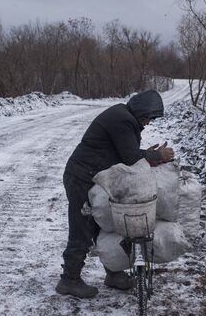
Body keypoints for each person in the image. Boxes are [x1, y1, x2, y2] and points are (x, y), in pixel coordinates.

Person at [56, 89, 175, 298]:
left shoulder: (123, 116)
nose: (148, 123)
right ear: (141, 112)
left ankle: (113, 273)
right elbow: (130, 157)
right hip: (81, 178)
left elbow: (124, 152)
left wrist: (150, 155)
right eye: (148, 118)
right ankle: (69, 280)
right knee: (83, 227)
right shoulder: (121, 119)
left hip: (94, 177)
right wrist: (156, 155)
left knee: (104, 225)